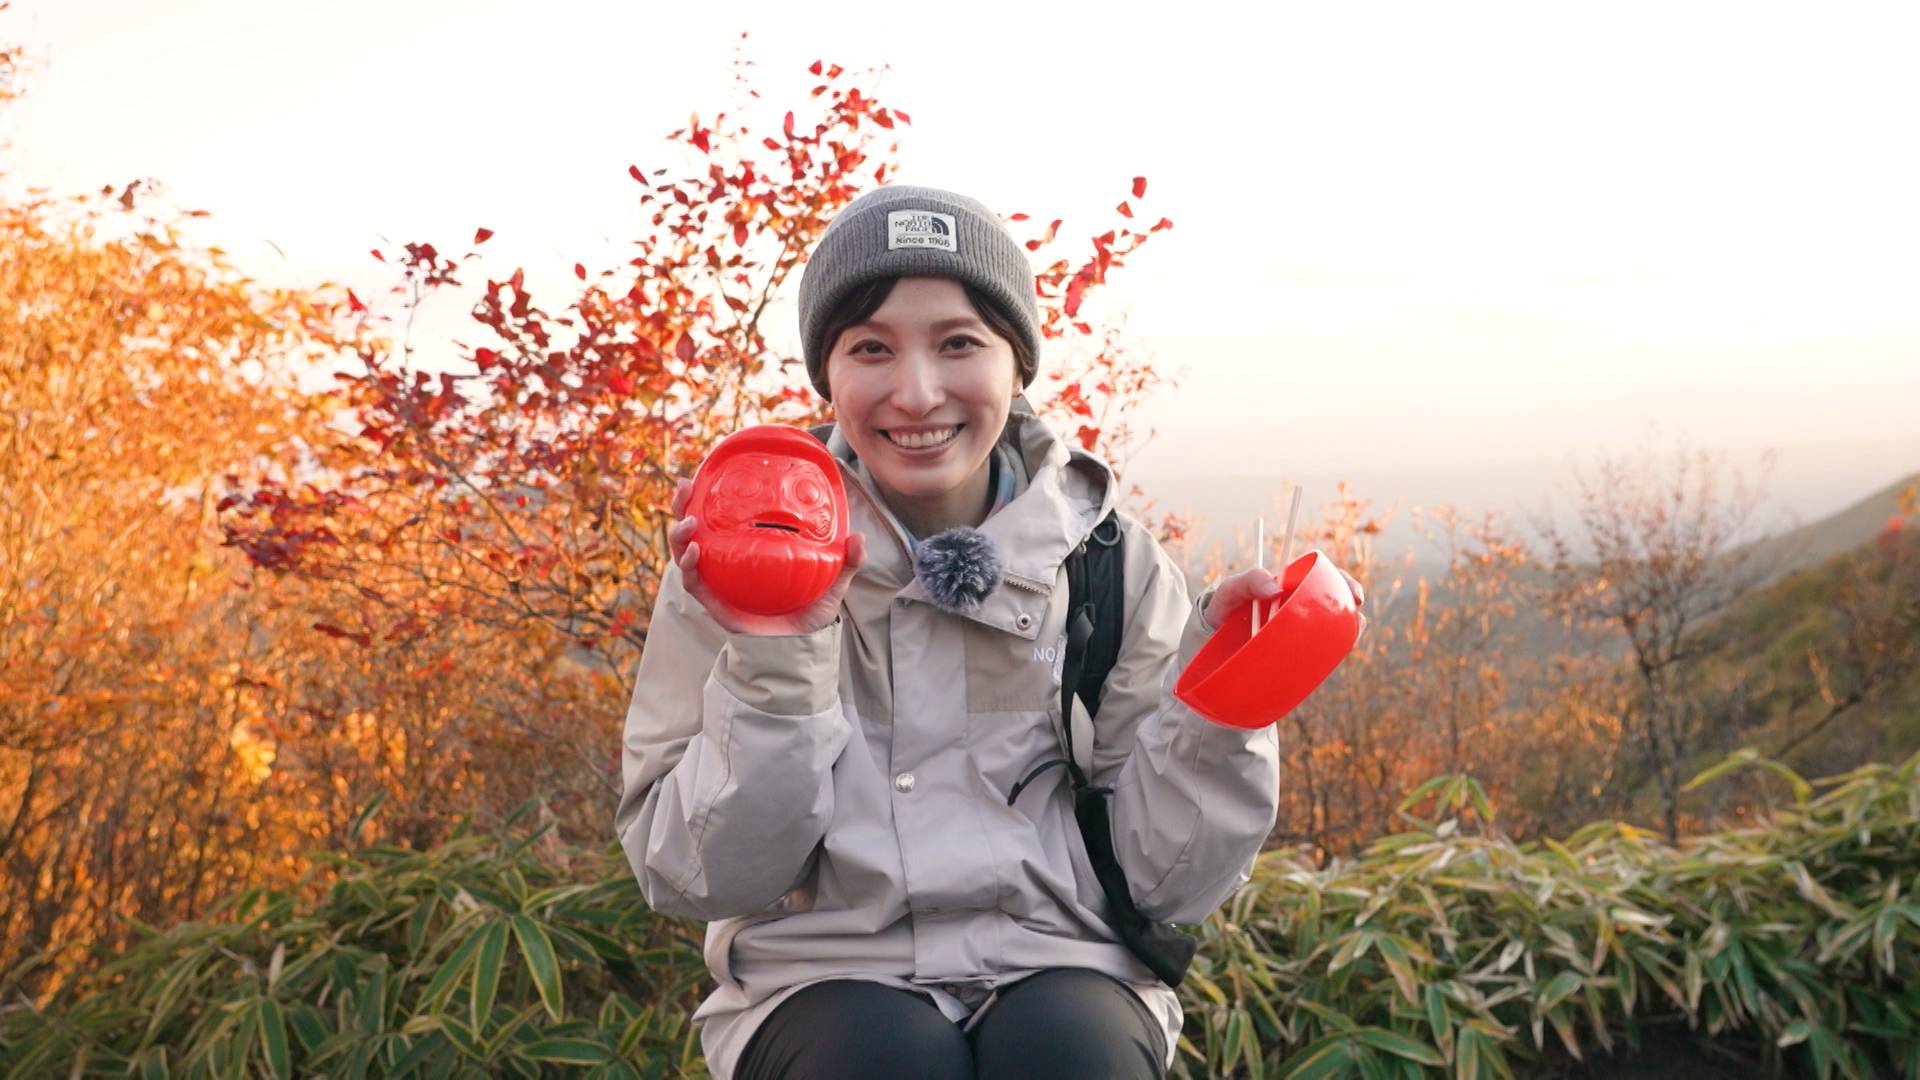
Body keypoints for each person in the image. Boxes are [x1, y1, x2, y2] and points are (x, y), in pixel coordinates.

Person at [615, 185, 1363, 1080]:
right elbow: (699, 875)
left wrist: (1220, 706)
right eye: (871, 348)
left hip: (1067, 963)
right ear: (828, 374)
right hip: (817, 978)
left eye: (959, 343)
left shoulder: (1109, 562)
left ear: (1017, 364)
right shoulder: (743, 561)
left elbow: (1171, 883)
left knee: (1070, 1053)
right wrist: (777, 655)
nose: (916, 392)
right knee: (882, 1060)